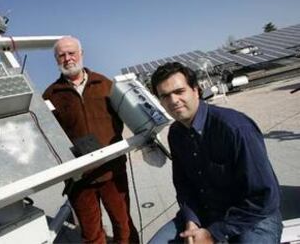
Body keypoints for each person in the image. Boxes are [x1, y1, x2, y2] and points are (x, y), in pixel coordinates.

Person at [149, 62, 282, 244]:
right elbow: (184, 186)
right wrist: (191, 221)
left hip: (252, 218)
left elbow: (265, 196)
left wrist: (214, 234)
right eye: (165, 96)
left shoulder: (235, 128)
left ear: (196, 90)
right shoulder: (176, 134)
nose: (173, 101)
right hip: (205, 212)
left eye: (179, 92)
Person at [43, 36, 139, 244]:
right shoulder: (50, 95)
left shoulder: (105, 84)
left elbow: (128, 116)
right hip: (79, 178)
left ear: (81, 54)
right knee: (91, 235)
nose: (67, 58)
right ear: (56, 60)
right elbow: (48, 137)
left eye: (71, 53)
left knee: (123, 226)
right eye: (62, 55)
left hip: (112, 171)